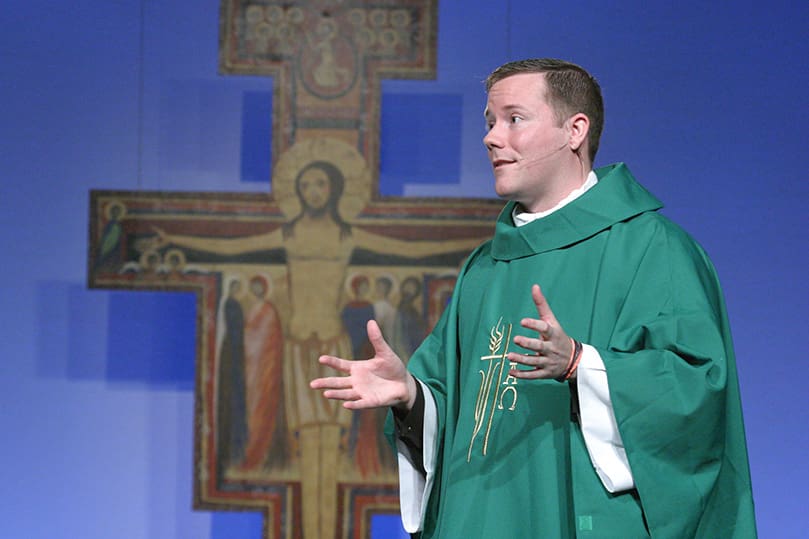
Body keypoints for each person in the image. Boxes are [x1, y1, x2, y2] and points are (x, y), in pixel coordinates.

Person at [310, 58, 757, 538]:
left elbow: (696, 393)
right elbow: (461, 411)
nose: (491, 137)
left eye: (513, 119)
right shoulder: (485, 267)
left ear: (575, 130)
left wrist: (581, 364)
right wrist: (411, 397)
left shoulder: (652, 249)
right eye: (489, 122)